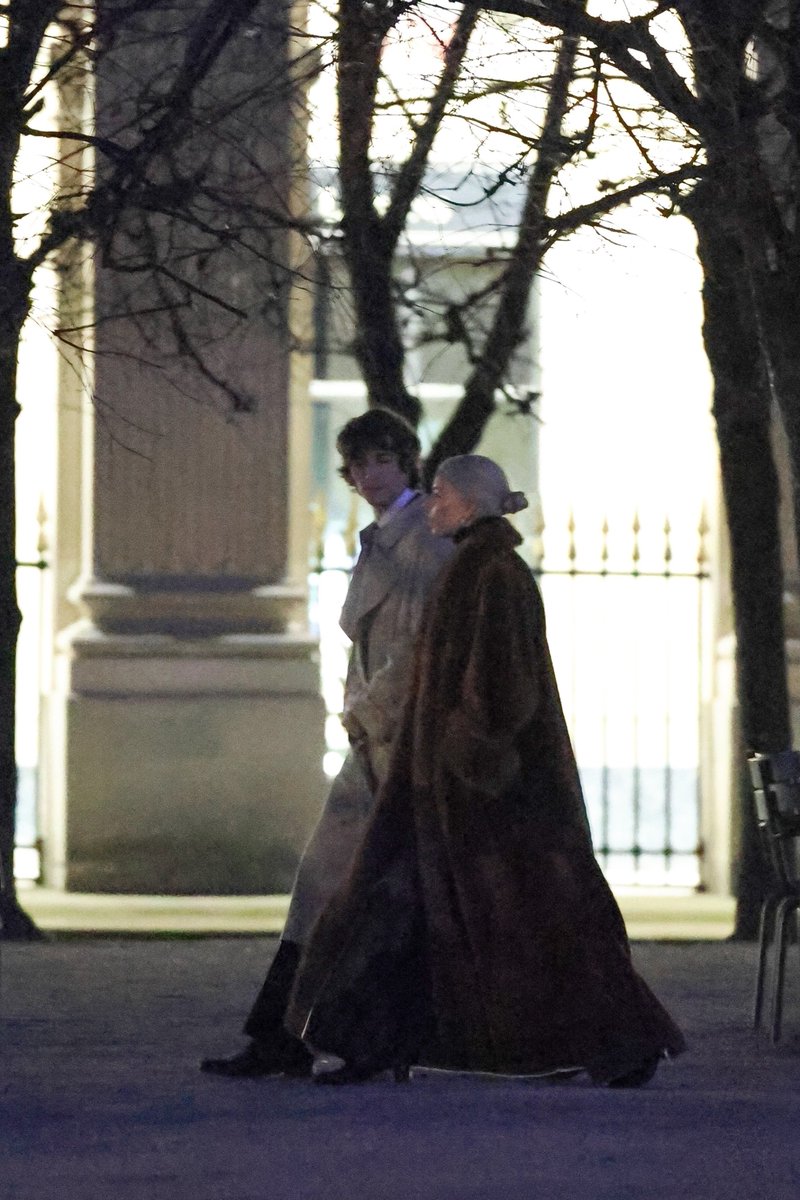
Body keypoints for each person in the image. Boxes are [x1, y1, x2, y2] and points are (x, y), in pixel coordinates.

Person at [285, 454, 687, 1086]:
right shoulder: (478, 569)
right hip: (446, 783)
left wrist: (465, 757)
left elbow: (499, 690)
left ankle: (614, 1040)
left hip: (469, 788)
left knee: (514, 915)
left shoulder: (490, 575)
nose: (432, 505)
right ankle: (381, 1043)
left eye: (442, 496)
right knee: (431, 909)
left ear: (469, 505)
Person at [201, 409, 454, 1078]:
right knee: (328, 887)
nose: (369, 475)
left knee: (356, 891)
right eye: (359, 464)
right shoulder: (390, 542)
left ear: (407, 461)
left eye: (381, 460)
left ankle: (333, 1040)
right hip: (374, 741)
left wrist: (368, 712)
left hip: (393, 744)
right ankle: (294, 1035)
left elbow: (423, 650)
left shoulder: (423, 546)